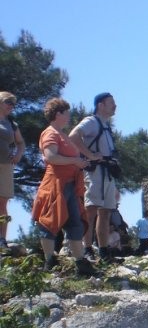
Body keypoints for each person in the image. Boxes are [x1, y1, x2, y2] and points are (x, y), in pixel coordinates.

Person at [31, 98, 97, 276]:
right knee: (49, 221)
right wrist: (76, 161)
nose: (69, 115)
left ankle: (80, 262)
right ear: (58, 113)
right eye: (66, 112)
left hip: (70, 185)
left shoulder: (62, 134)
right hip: (55, 184)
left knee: (75, 222)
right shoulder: (50, 133)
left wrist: (79, 163)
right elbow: (51, 157)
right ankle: (49, 260)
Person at [69, 92, 120, 263]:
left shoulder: (105, 125)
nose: (115, 106)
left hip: (106, 172)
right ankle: (87, 248)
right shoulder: (91, 121)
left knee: (105, 213)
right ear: (101, 105)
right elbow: (74, 136)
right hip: (95, 172)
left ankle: (104, 251)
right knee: (91, 211)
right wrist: (90, 155)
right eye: (111, 103)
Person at [0, 92, 25, 250]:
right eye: (8, 102)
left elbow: (20, 143)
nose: (11, 106)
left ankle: (2, 239)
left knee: (2, 203)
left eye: (13, 104)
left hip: (6, 166)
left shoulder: (11, 123)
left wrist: (18, 155)